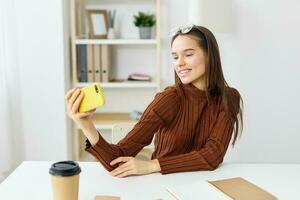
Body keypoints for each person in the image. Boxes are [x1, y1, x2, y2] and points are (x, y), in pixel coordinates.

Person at [65, 24, 243, 178]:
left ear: (209, 56)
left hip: (203, 187)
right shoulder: (170, 98)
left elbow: (212, 156)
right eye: (175, 57)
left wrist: (153, 165)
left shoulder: (229, 98)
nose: (179, 63)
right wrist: (86, 125)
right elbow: (116, 159)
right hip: (162, 185)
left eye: (188, 54)